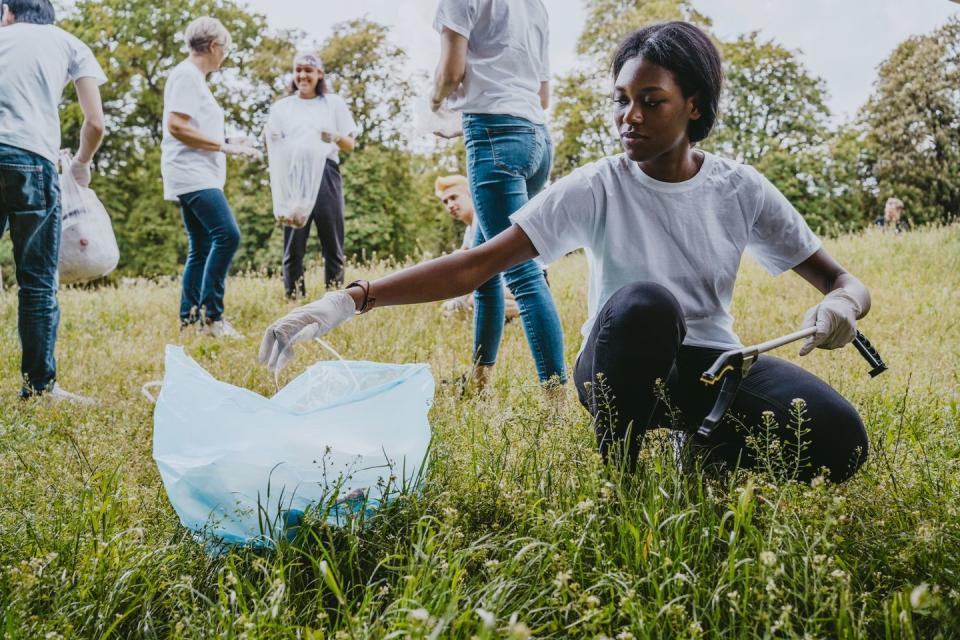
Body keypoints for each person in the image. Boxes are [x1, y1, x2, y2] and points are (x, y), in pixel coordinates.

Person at [261, 22, 873, 483]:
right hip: (617, 363)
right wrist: (351, 299)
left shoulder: (739, 188)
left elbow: (845, 281)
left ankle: (704, 447)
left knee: (843, 442)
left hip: (711, 367)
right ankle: (624, 469)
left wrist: (843, 304)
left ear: (695, 106)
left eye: (650, 100)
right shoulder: (598, 184)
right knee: (645, 306)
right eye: (620, 99)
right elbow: (478, 264)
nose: (627, 117)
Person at [428, 0, 565, 390]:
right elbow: (542, 96)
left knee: (520, 271)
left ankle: (555, 405)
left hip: (493, 135)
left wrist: (435, 102)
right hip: (536, 139)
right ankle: (479, 382)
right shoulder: (534, 7)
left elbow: (451, 73)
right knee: (484, 267)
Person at [0, 0, 106, 403]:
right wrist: (80, 164)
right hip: (33, 160)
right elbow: (95, 123)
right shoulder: (69, 44)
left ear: (8, 11)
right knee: (38, 282)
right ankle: (39, 387)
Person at [161, 16, 261, 338]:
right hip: (193, 176)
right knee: (227, 235)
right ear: (215, 46)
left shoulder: (193, 78)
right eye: (226, 48)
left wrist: (232, 142)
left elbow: (195, 127)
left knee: (201, 246)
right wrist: (223, 147)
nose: (226, 54)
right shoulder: (187, 75)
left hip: (196, 173)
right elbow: (176, 126)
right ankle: (212, 318)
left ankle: (189, 320)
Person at [265, 50, 358, 298]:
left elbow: (351, 143)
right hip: (295, 177)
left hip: (326, 173)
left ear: (319, 73)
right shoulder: (282, 108)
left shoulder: (333, 103)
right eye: (298, 70)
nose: (302, 75)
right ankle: (294, 298)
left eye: (308, 70)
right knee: (294, 243)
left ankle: (335, 299)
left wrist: (336, 137)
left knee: (332, 240)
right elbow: (272, 145)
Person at [435, 175, 519, 321]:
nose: (450, 205)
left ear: (470, 195)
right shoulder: (469, 230)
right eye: (445, 202)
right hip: (498, 282)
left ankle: (527, 310)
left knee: (476, 299)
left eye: (454, 197)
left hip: (520, 280)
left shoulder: (485, 220)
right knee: (449, 306)